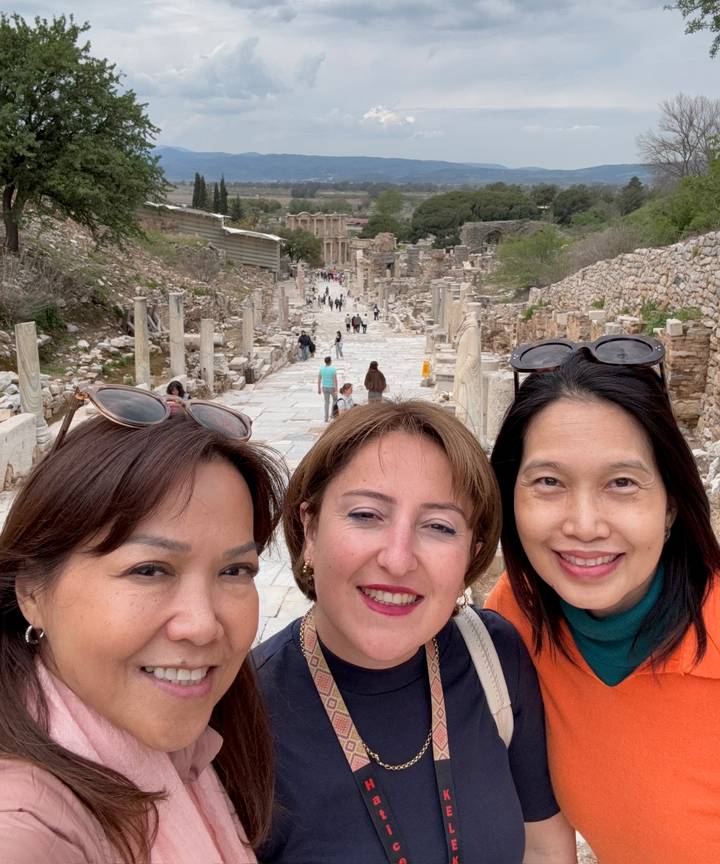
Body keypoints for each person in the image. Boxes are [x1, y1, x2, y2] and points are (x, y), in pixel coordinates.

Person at [254, 400, 575, 863]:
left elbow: (544, 847)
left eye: (439, 526)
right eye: (366, 515)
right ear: (310, 528)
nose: (398, 559)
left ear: (471, 555)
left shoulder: (495, 657)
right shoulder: (239, 714)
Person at [0, 386, 287, 864]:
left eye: (234, 571)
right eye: (149, 570)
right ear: (32, 592)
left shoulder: (201, 746)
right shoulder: (29, 822)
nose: (201, 626)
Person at [486, 341, 720, 864]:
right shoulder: (516, 618)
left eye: (621, 483)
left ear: (671, 506)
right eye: (548, 482)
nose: (584, 525)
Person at [317, 356, 338, 423]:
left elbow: (319, 380)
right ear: (330, 361)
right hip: (331, 387)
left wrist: (319, 389)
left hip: (324, 387)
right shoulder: (333, 369)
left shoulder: (321, 369)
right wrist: (336, 388)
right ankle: (332, 414)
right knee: (335, 399)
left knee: (326, 402)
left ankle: (326, 417)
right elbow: (335, 380)